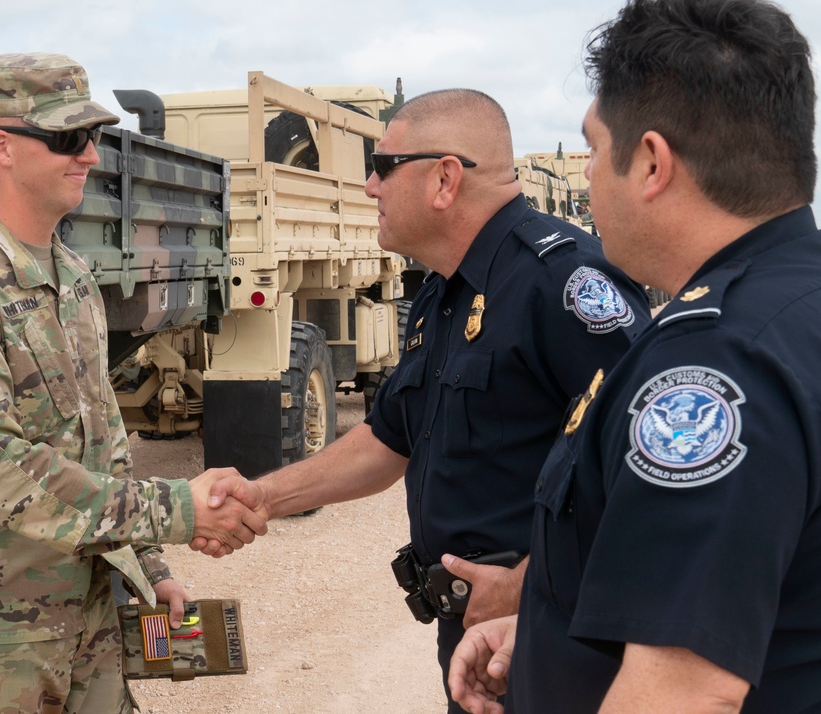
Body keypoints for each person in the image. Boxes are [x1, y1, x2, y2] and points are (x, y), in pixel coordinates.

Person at [199, 87, 651, 711]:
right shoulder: (443, 295)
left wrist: (533, 588)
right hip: (470, 638)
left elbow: (647, 473)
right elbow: (390, 440)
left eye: (382, 167)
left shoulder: (564, 284)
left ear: (445, 179)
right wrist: (262, 497)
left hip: (553, 641)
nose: (368, 187)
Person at [0, 52, 265, 713]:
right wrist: (177, 511)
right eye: (68, 139)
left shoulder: (73, 279)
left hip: (87, 625)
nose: (91, 157)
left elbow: (101, 446)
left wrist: (149, 565)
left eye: (94, 137)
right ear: (3, 146)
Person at [448, 1, 821, 712]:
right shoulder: (795, 303)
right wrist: (551, 637)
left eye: (591, 149)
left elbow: (684, 693)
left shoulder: (715, 366)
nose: (585, 174)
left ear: (651, 161)